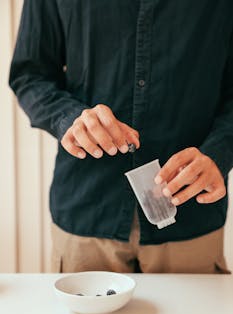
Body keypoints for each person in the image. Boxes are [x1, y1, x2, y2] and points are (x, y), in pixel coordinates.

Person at [9, 0, 233, 274]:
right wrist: (69, 118)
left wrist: (220, 151)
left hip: (192, 215)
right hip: (87, 208)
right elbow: (31, 74)